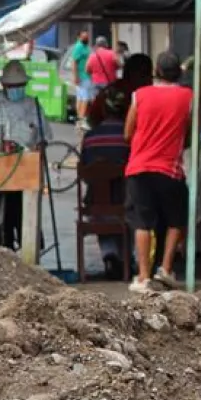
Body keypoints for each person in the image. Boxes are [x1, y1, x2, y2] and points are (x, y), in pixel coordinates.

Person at [124, 51, 192, 293]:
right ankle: (165, 268)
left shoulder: (139, 95)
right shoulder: (188, 97)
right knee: (177, 219)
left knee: (142, 222)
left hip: (139, 166)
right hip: (170, 169)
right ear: (180, 73)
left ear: (157, 72)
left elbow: (128, 132)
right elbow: (190, 133)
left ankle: (143, 277)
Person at [0, 60, 47, 250]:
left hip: (25, 168)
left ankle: (25, 246)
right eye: (13, 86)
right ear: (3, 85)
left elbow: (43, 137)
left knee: (20, 209)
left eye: (20, 86)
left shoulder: (33, 105)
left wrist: (39, 150)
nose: (16, 89)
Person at [80, 87, 132, 279]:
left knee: (99, 200)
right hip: (125, 203)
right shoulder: (130, 137)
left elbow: (85, 172)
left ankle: (109, 254)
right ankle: (126, 258)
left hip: (96, 206)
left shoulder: (90, 137)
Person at [88, 53, 153, 129]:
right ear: (135, 74)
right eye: (148, 76)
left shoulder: (109, 90)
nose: (150, 81)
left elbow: (92, 119)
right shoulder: (122, 93)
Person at [67, 30, 92, 124]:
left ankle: (80, 117)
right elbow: (74, 62)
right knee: (84, 97)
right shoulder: (79, 47)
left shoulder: (85, 47)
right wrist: (75, 76)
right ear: (79, 37)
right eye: (84, 37)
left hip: (86, 75)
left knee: (81, 97)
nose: (86, 38)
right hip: (82, 76)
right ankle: (81, 118)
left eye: (87, 36)